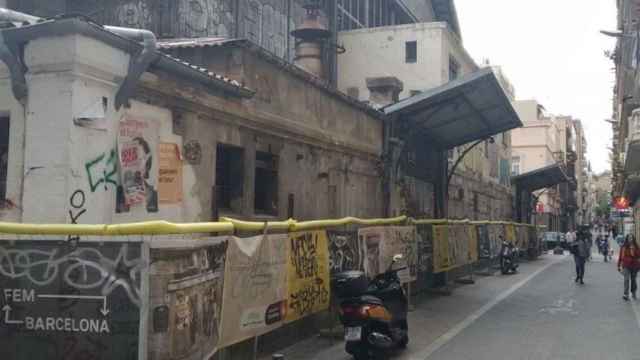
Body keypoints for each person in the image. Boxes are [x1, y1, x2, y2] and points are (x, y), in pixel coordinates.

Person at [618, 234, 640, 301]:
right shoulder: (624, 247)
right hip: (626, 265)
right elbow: (620, 257)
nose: (630, 239)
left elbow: (639, 256)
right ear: (627, 239)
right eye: (629, 238)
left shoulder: (636, 246)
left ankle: (633, 292)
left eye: (631, 238)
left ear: (633, 239)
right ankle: (626, 294)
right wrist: (618, 265)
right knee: (626, 279)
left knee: (633, 280)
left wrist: (633, 250)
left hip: (634, 266)